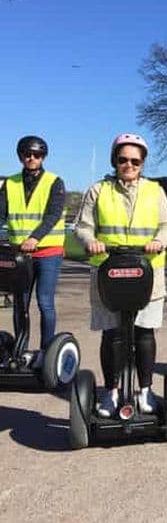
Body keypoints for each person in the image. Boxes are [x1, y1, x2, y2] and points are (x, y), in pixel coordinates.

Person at [74, 133, 167, 417]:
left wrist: (160, 241)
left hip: (147, 272)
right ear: (114, 161)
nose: (128, 165)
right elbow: (82, 226)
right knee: (113, 334)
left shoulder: (155, 191)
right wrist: (90, 241)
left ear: (142, 163)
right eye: (123, 160)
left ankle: (145, 390)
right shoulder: (98, 190)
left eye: (135, 160)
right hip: (109, 273)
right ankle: (112, 391)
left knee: (144, 333)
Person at [0, 136, 67, 368]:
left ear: (43, 157)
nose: (32, 158)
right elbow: (1, 214)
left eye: (36, 155)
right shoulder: (10, 183)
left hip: (48, 251)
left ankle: (46, 353)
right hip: (19, 253)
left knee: (45, 302)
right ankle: (20, 350)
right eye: (27, 154)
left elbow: (53, 214)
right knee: (20, 302)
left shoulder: (55, 182)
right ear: (20, 156)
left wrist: (35, 237)